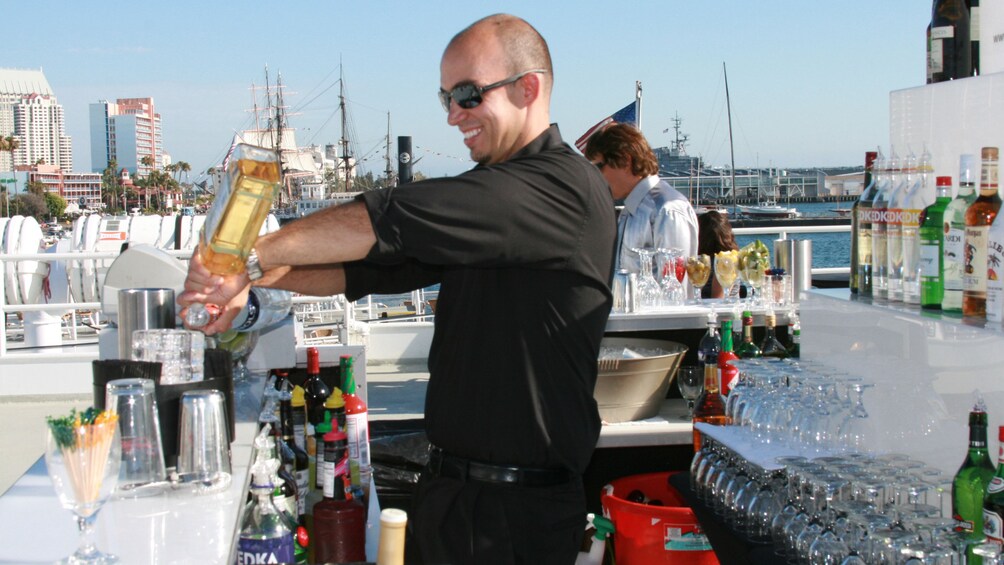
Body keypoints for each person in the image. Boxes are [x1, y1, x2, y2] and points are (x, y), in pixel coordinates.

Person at [180, 14, 615, 565]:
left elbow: (393, 218)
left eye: (467, 94)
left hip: (514, 520)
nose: (454, 115)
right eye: (446, 99)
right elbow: (370, 267)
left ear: (527, 88)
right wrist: (251, 287)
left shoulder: (561, 189)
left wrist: (249, 255)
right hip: (454, 499)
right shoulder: (499, 205)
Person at [583, 122, 699, 278]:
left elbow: (675, 290)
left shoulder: (667, 209)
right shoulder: (632, 209)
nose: (595, 177)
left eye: (598, 167)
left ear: (625, 161)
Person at [697, 210, 739, 298]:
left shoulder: (723, 264)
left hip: (714, 309)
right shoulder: (733, 260)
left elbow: (718, 300)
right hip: (731, 309)